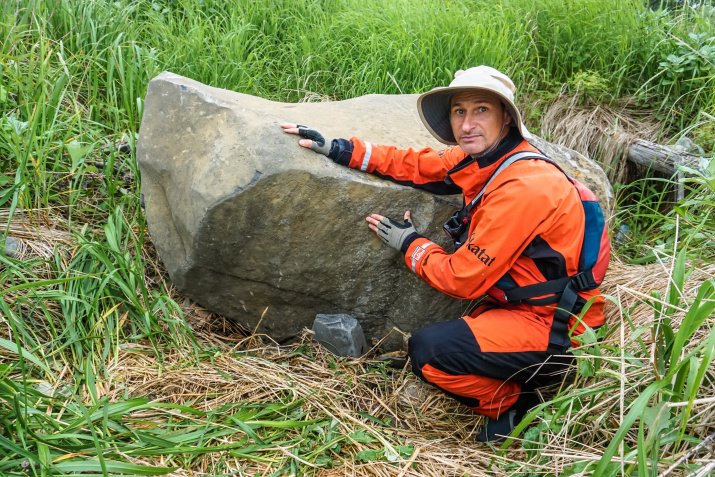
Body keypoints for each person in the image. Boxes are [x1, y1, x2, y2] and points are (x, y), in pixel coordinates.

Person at [281, 66, 606, 442]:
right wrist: (339, 149)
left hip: (558, 329)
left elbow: (462, 279)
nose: (467, 124)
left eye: (481, 109)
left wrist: (410, 243)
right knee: (443, 345)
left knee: (429, 351)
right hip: (526, 310)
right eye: (459, 111)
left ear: (507, 118)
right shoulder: (487, 160)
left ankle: (516, 403)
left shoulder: (525, 187)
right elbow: (417, 165)